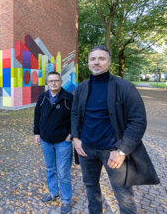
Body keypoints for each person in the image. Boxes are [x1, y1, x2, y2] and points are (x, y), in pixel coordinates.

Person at [71, 45, 160, 214]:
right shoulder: (82, 87)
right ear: (88, 63)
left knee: (123, 194)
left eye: (101, 59)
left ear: (109, 62)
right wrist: (75, 138)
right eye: (93, 59)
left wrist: (121, 151)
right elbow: (75, 113)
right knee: (91, 188)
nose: (97, 62)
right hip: (86, 150)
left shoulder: (125, 87)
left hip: (113, 151)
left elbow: (138, 121)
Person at [34, 71, 74, 214]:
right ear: (47, 82)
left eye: (56, 80)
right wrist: (37, 133)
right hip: (46, 141)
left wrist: (70, 135)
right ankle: (53, 193)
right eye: (50, 81)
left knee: (63, 172)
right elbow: (37, 116)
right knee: (50, 169)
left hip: (63, 142)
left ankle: (66, 200)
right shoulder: (42, 97)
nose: (53, 83)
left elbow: (75, 118)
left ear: (61, 81)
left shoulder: (68, 98)